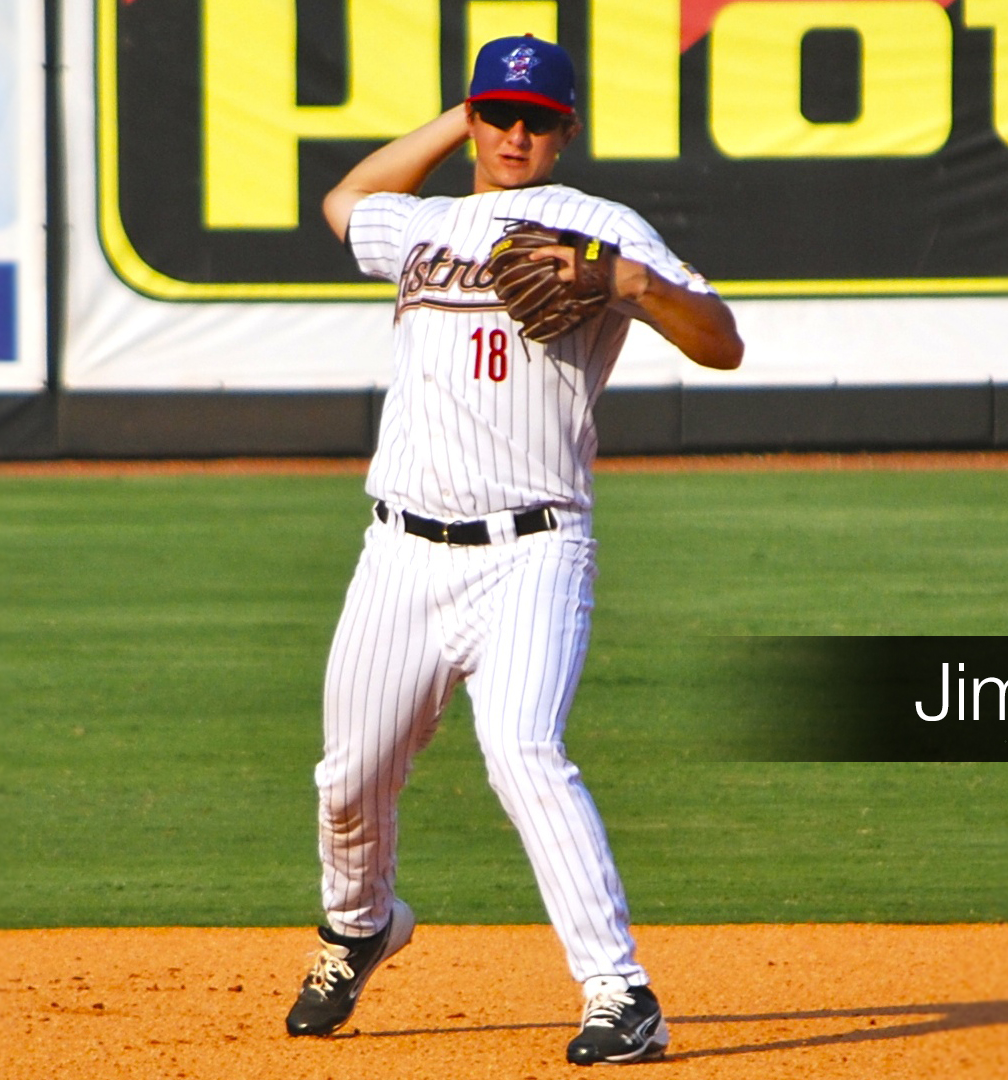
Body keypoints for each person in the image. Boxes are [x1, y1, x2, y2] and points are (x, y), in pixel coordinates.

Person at [283, 35, 742, 1066]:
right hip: (399, 550)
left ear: (567, 129)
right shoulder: (425, 223)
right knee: (350, 777)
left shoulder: (604, 226)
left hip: (533, 549)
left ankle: (621, 993)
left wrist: (629, 281)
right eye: (498, 114)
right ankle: (358, 930)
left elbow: (721, 339)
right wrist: (455, 117)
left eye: (535, 117)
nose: (515, 133)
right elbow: (346, 198)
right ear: (473, 120)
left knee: (526, 752)